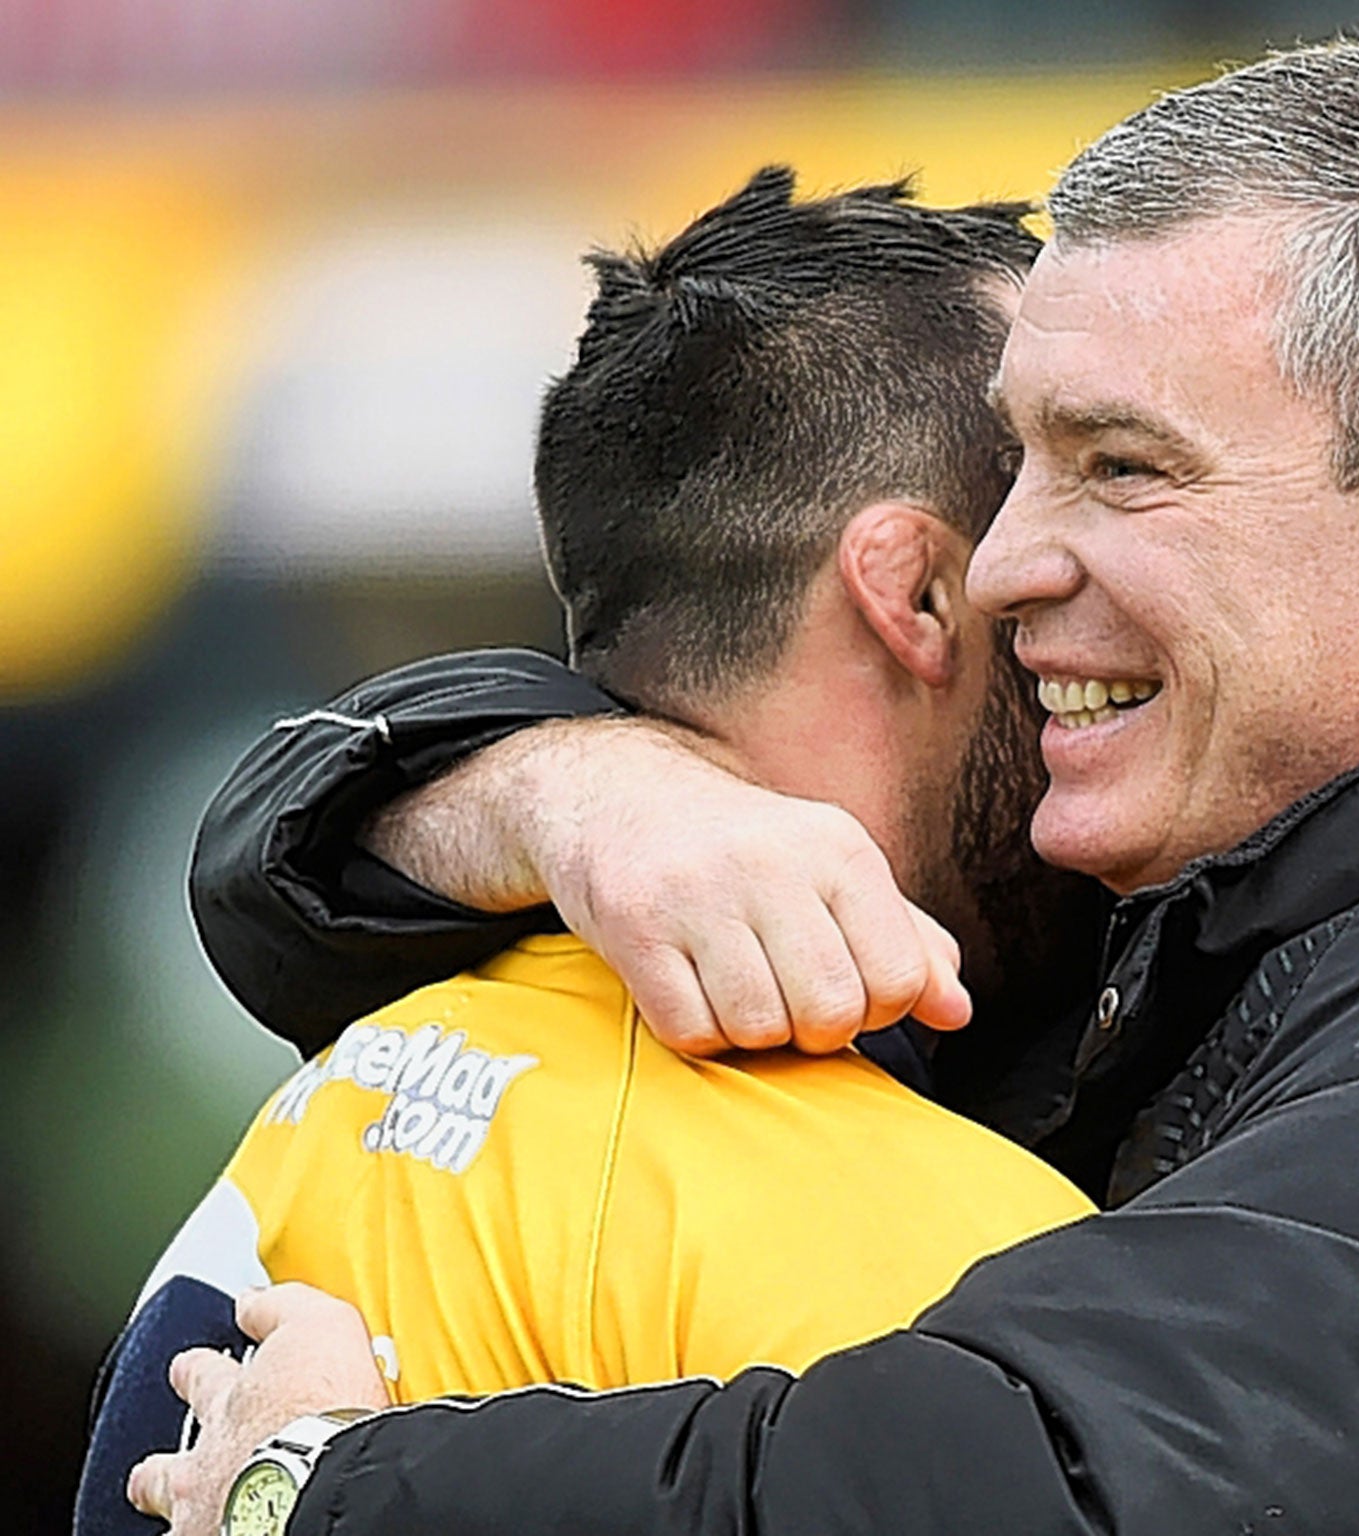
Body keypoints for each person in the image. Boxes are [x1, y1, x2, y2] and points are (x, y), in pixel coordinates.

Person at [141, 36, 1359, 1536]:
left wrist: (319, 1487)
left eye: (1118, 466)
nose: (1003, 564)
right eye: (1015, 462)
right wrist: (581, 793)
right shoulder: (1220, 876)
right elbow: (275, 889)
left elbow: (1024, 1490)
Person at [87, 167, 1098, 1536]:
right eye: (1072, 490)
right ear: (916, 590)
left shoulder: (356, 1073)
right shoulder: (959, 1254)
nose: (1097, 578)